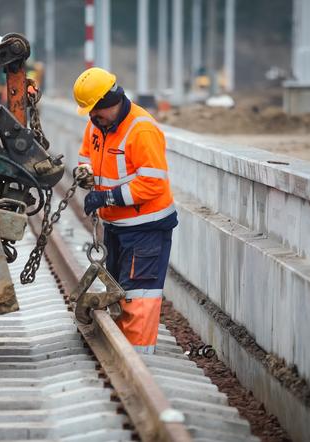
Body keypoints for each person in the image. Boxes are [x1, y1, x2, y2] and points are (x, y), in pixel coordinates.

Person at [73, 67, 178, 355]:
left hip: (146, 228)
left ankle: (140, 363)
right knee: (118, 295)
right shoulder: (97, 124)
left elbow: (153, 184)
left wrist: (106, 198)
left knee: (137, 298)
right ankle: (122, 354)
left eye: (95, 110)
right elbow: (85, 156)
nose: (93, 117)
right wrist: (84, 173)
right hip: (117, 227)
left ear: (110, 100)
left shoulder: (141, 129)